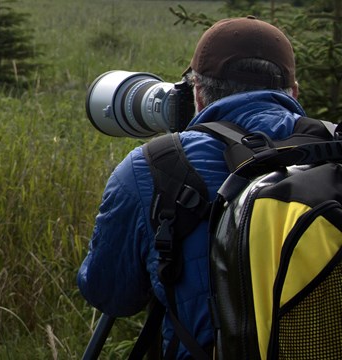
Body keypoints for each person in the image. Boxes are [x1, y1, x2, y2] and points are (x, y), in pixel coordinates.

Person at [77, 16, 302, 359]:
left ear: (197, 93)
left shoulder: (154, 167)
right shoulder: (332, 147)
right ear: (294, 92)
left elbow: (110, 294)